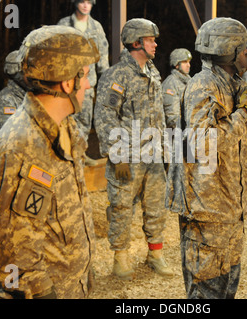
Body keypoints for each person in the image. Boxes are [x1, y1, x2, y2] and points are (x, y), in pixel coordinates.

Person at [0, 25, 100, 299]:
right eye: (83, 75)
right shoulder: (21, 145)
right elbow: (13, 249)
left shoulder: (64, 126)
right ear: (66, 83)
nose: (88, 83)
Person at [168, 17, 247, 299]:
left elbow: (242, 142)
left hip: (228, 205)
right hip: (206, 208)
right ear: (227, 50)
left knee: (225, 285)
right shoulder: (203, 86)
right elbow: (203, 144)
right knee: (207, 291)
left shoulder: (232, 84)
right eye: (243, 47)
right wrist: (244, 113)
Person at [94, 18, 173, 280]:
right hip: (127, 157)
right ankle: (121, 257)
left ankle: (155, 254)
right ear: (136, 42)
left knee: (156, 206)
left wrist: (165, 151)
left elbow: (159, 115)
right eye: (150, 39)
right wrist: (117, 156)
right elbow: (106, 116)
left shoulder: (153, 72)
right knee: (121, 207)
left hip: (153, 156)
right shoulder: (116, 75)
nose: (155, 43)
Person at [58, 0, 110, 165]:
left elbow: (102, 54)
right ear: (75, 3)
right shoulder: (64, 25)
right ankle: (65, 156)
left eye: (89, 2)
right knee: (65, 121)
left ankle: (80, 154)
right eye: (82, 2)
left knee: (85, 121)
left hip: (87, 84)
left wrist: (106, 79)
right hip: (66, 84)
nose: (85, 5)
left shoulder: (96, 27)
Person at [0, 50, 28, 139]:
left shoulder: (29, 97)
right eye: (27, 69)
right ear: (16, 71)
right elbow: (16, 139)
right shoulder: (5, 101)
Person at [161, 48, 192, 129]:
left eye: (189, 62)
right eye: (185, 62)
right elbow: (172, 116)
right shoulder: (171, 83)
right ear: (176, 64)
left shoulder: (188, 82)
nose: (188, 65)